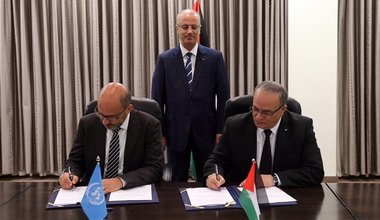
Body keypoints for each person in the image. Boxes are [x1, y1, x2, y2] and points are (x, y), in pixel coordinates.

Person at [151, 9, 230, 182]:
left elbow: (223, 97)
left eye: (194, 27)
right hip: (175, 132)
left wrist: (220, 129)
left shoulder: (214, 57)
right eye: (185, 27)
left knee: (208, 179)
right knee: (176, 181)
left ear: (199, 30)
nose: (189, 31)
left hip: (206, 131)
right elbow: (157, 100)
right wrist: (161, 132)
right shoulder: (164, 59)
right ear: (177, 29)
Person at [204, 81, 324, 190]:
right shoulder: (235, 125)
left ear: (283, 110)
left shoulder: (301, 127)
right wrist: (214, 174)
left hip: (286, 197)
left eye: (266, 112)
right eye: (255, 109)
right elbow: (216, 160)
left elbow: (315, 171)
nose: (258, 116)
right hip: (243, 196)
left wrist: (274, 179)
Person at [59, 82, 164, 193]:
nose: (104, 122)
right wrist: (70, 173)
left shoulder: (149, 125)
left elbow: (155, 169)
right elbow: (75, 161)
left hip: (130, 191)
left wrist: (120, 181)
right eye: (100, 114)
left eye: (111, 117)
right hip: (95, 192)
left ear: (128, 109)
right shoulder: (87, 124)